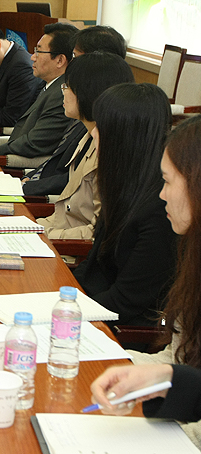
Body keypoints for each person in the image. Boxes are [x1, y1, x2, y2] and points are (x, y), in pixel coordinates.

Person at [89, 116, 201, 441]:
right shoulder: (192, 251)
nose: (162, 195)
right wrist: (113, 363)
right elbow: (175, 359)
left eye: (167, 181)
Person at [73, 83, 175, 329]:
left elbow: (126, 301)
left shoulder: (162, 207)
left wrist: (62, 314)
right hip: (92, 306)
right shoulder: (125, 182)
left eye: (101, 126)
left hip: (122, 328)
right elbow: (94, 266)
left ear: (124, 136)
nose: (93, 133)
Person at [34, 52, 134, 238]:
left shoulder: (111, 150)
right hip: (55, 235)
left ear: (88, 92)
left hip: (69, 250)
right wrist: (28, 227)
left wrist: (45, 234)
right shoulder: (87, 136)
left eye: (67, 86)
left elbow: (97, 233)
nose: (62, 91)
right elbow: (64, 213)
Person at [22, 26, 128, 196]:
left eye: (75, 57)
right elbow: (58, 160)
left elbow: (75, 180)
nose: (71, 63)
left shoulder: (103, 121)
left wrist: (26, 187)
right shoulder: (82, 110)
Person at [0, 22, 77, 158]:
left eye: (38, 51)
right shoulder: (50, 86)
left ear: (60, 60)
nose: (32, 57)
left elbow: (35, 143)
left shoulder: (62, 94)